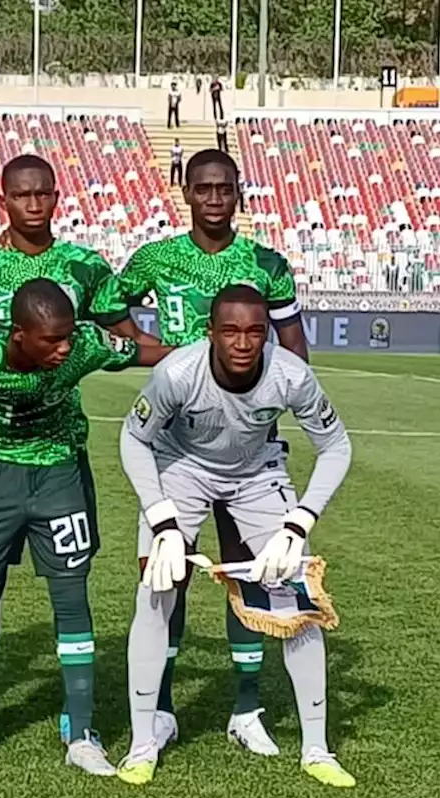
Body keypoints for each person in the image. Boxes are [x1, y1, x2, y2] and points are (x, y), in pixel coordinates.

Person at [0, 154, 159, 746]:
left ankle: (81, 733)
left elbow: (124, 340)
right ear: (4, 200)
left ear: (56, 197)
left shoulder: (83, 265)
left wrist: (206, 351)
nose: (33, 205)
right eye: (20, 196)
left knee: (72, 590)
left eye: (42, 194)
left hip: (59, 455)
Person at [93, 147, 310, 759]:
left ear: (239, 192)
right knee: (168, 576)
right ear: (185, 192)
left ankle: (247, 707)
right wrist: (154, 350)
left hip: (246, 447)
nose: (214, 198)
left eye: (224, 188)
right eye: (203, 188)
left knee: (246, 574)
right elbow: (110, 313)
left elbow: (294, 350)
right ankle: (158, 711)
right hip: (175, 445)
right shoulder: (157, 259)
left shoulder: (267, 263)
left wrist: (265, 402)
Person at [115, 285, 355, 789]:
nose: (243, 343)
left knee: (297, 594)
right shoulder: (178, 373)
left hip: (257, 474)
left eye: (254, 331)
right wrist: (161, 521)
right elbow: (134, 437)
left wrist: (299, 522)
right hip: (181, 468)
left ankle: (317, 748)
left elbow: (336, 446)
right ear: (211, 334)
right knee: (156, 587)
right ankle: (142, 744)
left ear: (267, 333)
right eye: (230, 331)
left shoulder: (291, 374)